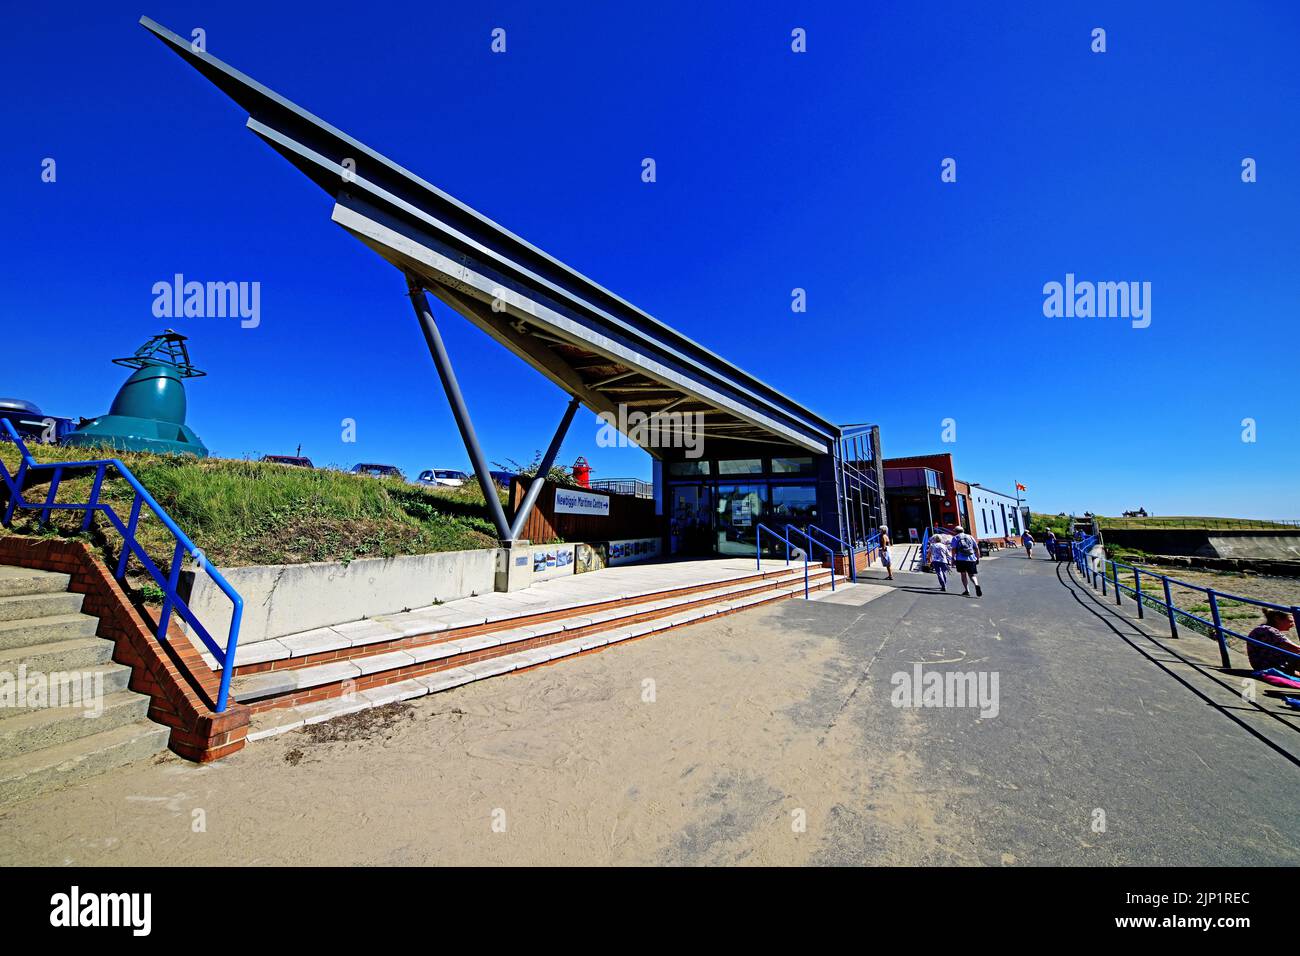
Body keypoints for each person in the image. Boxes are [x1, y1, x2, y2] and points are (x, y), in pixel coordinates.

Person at [1246, 610, 1300, 676]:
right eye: (1290, 621)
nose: (1293, 625)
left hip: (1262, 664)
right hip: (1268, 666)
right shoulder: (1269, 631)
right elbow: (1296, 649)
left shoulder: (1263, 629)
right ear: (1277, 618)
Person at [950, 525, 982, 597]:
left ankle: (967, 590)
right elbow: (976, 548)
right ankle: (976, 585)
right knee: (972, 574)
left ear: (956, 531)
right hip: (971, 558)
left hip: (960, 559)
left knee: (963, 574)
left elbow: (954, 549)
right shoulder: (970, 536)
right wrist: (978, 557)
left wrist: (953, 558)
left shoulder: (955, 538)